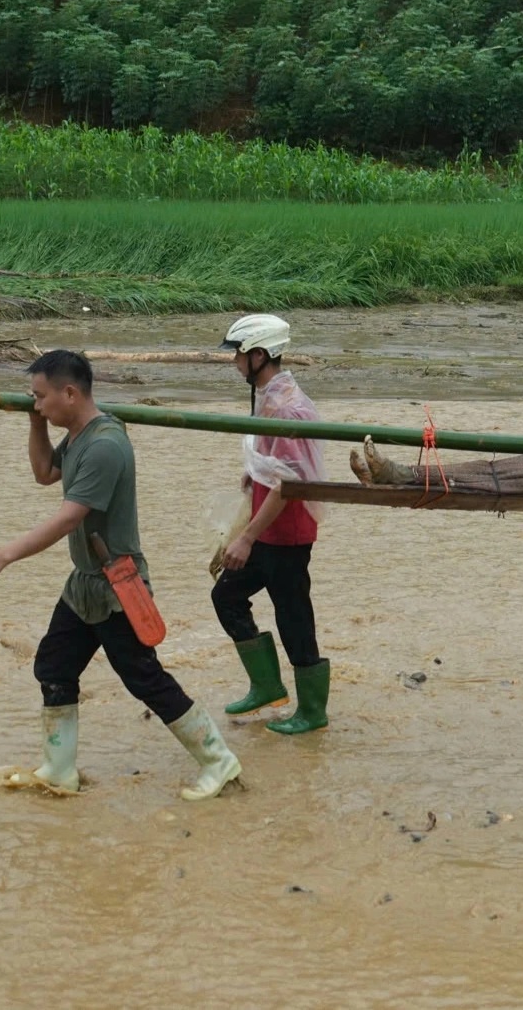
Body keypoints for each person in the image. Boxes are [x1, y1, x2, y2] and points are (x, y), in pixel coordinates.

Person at [0, 350, 241, 799]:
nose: (38, 404)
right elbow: (43, 472)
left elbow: (69, 518)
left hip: (116, 583)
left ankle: (218, 760)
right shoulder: (76, 436)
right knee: (53, 666)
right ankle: (59, 769)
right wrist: (35, 421)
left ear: (69, 393)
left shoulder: (105, 445)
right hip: (85, 585)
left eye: (42, 397)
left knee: (144, 678)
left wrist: (3, 556)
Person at [210, 314, 331, 734]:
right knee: (226, 596)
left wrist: (245, 538)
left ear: (259, 356)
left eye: (239, 355)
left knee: (293, 617)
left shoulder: (288, 408)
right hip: (268, 530)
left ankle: (313, 712)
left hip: (286, 533)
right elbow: (272, 465)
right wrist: (253, 474)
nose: (235, 364)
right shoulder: (269, 398)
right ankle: (267, 685)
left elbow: (288, 485)